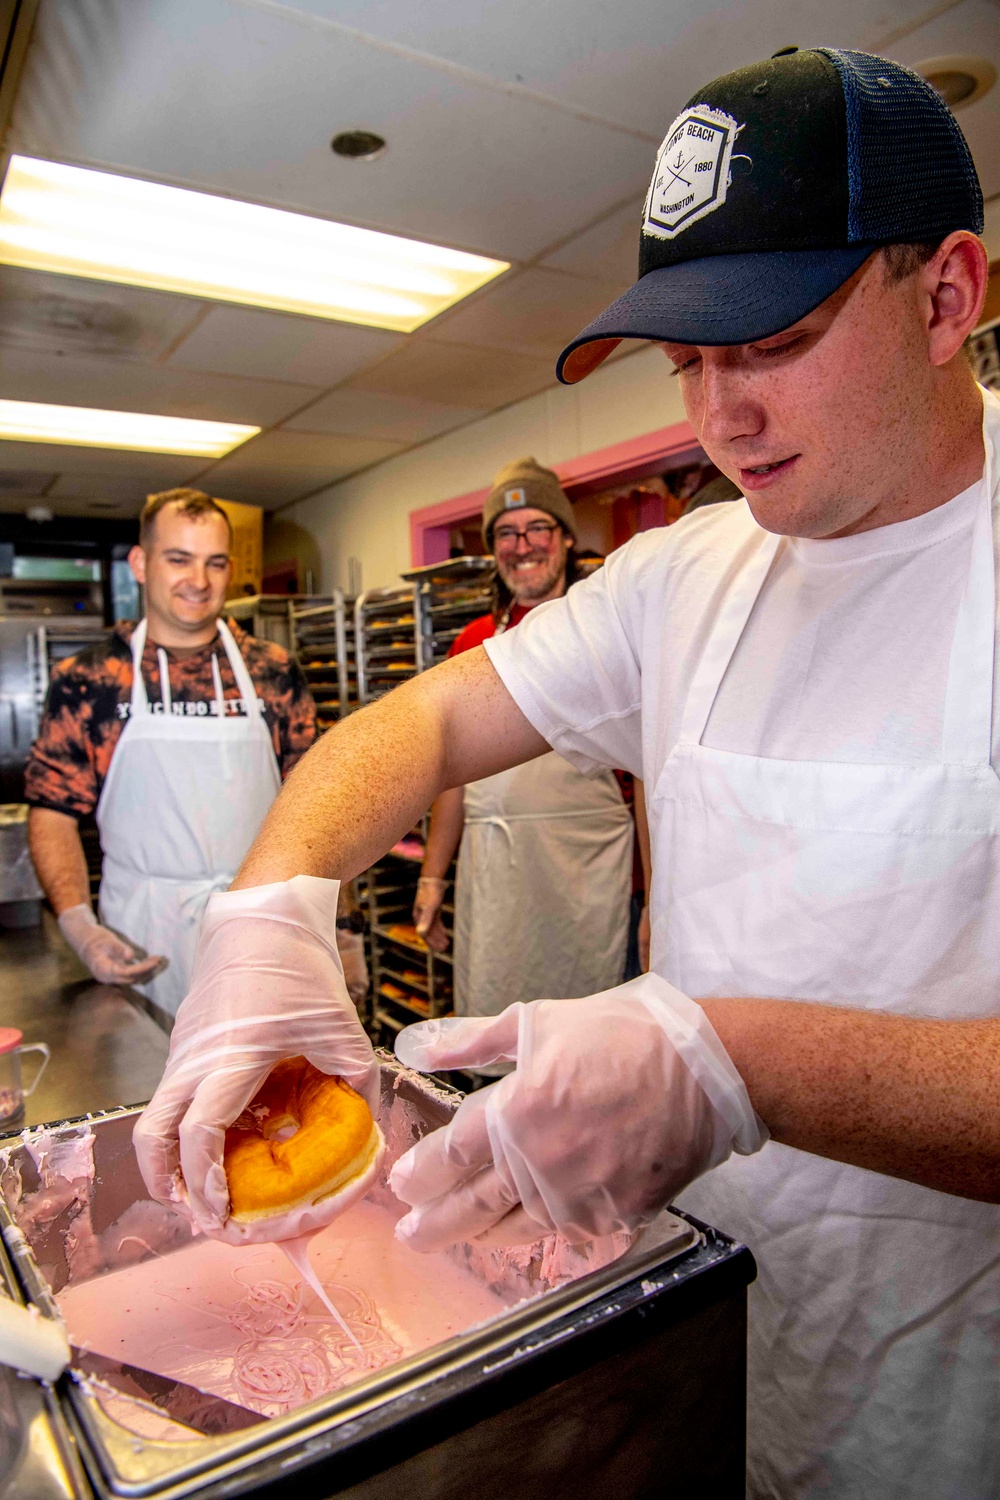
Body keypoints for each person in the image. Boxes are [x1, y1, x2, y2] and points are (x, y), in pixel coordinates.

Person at [133, 48, 999, 1498]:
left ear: (949, 294)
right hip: (710, 1318)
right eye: (686, 360)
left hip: (958, 1382)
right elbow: (414, 727)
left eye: (769, 340)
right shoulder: (685, 575)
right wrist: (269, 914)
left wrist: (734, 1064)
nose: (719, 416)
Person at [25, 487, 367, 1015]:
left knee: (268, 1090)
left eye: (215, 563)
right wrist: (80, 926)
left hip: (265, 924)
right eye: (179, 559)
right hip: (142, 933)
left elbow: (318, 809)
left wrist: (342, 928)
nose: (199, 581)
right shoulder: (90, 680)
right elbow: (52, 814)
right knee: (152, 1085)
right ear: (140, 563)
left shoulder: (272, 671)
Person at [412, 457, 637, 1062]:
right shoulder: (473, 642)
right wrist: (433, 877)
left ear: (566, 537)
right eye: (506, 533)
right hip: (496, 869)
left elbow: (642, 776)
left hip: (584, 868)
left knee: (584, 1046)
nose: (523, 545)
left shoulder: (609, 632)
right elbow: (451, 775)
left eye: (537, 526)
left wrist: (656, 897)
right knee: (497, 1036)